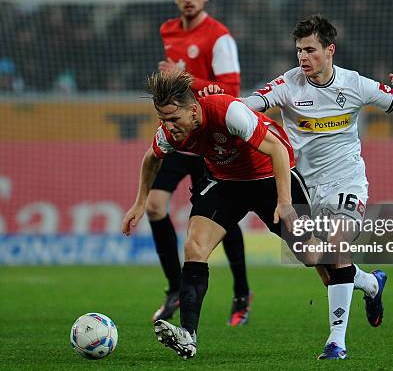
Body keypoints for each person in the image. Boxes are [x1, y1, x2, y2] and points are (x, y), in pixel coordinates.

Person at [206, 15, 393, 359]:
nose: (303, 57)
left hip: (347, 182)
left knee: (337, 245)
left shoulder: (355, 85)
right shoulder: (287, 85)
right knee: (323, 267)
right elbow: (246, 107)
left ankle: (336, 341)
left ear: (330, 50)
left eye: (310, 50)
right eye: (299, 50)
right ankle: (370, 284)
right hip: (304, 189)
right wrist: (219, 106)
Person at [122, 70, 315, 359]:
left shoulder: (228, 112)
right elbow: (151, 158)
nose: (168, 126)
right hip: (226, 183)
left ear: (194, 109)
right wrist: (140, 203)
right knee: (194, 246)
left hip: (269, 177)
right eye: (163, 119)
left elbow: (277, 150)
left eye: (174, 119)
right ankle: (188, 335)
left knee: (312, 256)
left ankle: (366, 280)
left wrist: (285, 202)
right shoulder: (170, 133)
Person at [148, 0, 252, 326]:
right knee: (154, 206)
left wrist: (183, 77)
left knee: (222, 220)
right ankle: (174, 288)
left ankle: (241, 293)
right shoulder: (168, 30)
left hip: (211, 142)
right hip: (180, 139)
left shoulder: (219, 36)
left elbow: (232, 94)